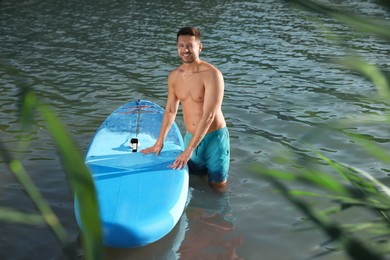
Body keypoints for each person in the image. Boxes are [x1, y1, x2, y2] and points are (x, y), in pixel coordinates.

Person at [141, 27, 230, 192]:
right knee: (193, 181)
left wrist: (188, 150)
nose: (185, 50)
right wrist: (159, 142)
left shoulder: (212, 75)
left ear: (200, 46)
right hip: (190, 137)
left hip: (214, 140)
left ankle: (218, 216)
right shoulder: (174, 76)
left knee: (217, 187)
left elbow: (209, 115)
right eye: (181, 46)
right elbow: (170, 110)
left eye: (190, 45)